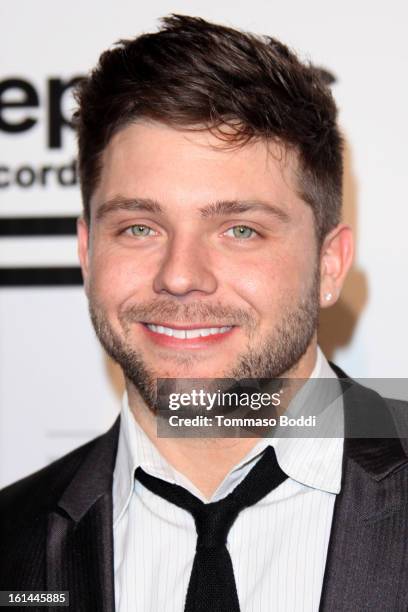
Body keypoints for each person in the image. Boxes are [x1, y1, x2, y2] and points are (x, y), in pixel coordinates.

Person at [1, 14, 407, 612]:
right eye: (139, 227)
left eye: (240, 229)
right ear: (87, 253)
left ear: (329, 264)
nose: (180, 275)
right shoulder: (12, 542)